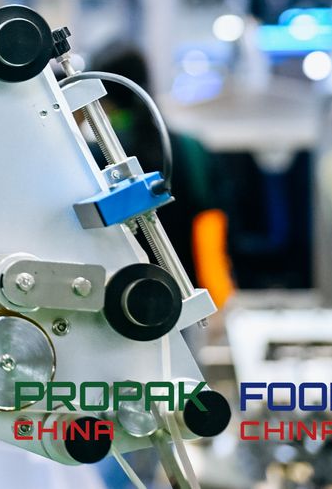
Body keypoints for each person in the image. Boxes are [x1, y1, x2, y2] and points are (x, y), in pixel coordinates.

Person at [86, 45, 235, 312]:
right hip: (187, 298)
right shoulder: (190, 149)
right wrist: (219, 297)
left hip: (118, 299)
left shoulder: (95, 156)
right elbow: (211, 225)